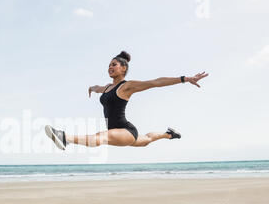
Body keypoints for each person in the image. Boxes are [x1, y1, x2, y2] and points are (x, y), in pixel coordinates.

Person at [45, 50, 208, 150]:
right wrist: (91, 88)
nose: (110, 67)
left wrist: (185, 78)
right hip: (119, 133)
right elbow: (98, 88)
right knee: (147, 140)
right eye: (109, 65)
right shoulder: (109, 87)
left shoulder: (127, 86)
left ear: (123, 68)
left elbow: (155, 82)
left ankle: (65, 137)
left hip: (126, 131)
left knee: (101, 137)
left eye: (114, 64)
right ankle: (168, 134)